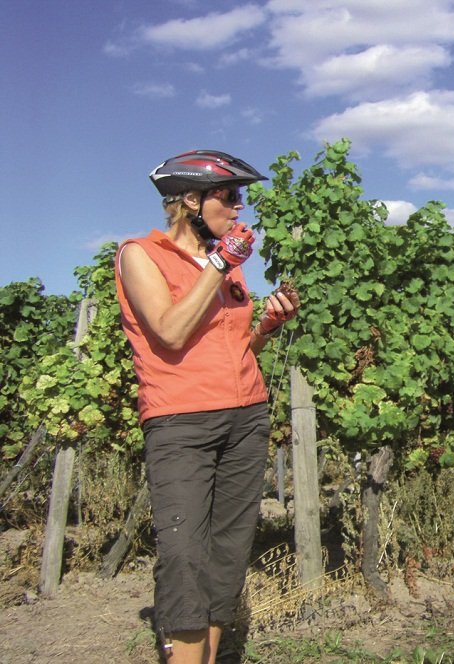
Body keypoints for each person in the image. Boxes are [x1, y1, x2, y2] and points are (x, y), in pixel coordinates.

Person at [115, 149, 300, 664]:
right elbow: (171, 332)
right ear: (190, 200)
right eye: (230, 197)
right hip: (181, 420)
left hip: (246, 415)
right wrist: (220, 264)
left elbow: (237, 348)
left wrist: (266, 325)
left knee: (229, 549)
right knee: (183, 554)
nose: (239, 208)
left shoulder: (226, 269)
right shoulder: (141, 255)